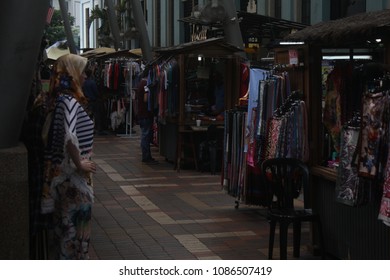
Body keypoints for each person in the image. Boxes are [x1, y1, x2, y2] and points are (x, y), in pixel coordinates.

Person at [41, 54, 96, 259]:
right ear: (72, 73)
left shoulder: (56, 99)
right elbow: (70, 137)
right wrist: (79, 163)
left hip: (61, 178)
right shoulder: (69, 102)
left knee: (63, 230)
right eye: (82, 72)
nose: (85, 77)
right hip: (73, 180)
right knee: (74, 234)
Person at [136, 72, 158, 164]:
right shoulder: (146, 84)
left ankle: (147, 156)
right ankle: (146, 157)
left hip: (142, 114)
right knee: (145, 135)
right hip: (145, 114)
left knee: (145, 135)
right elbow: (145, 99)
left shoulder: (141, 83)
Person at [82, 68, 103, 134]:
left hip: (87, 100)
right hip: (93, 101)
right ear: (91, 74)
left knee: (88, 115)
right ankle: (97, 129)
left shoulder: (84, 83)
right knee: (96, 115)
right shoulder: (92, 82)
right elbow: (96, 92)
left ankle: (88, 128)